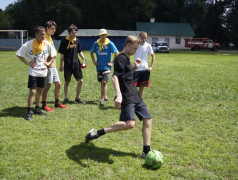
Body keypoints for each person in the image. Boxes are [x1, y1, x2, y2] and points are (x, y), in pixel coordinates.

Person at [85, 35, 153, 158]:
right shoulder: (120, 58)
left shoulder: (126, 58)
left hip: (135, 94)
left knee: (147, 119)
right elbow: (115, 77)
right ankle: (96, 133)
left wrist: (134, 68)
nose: (135, 51)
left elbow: (125, 75)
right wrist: (119, 95)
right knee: (129, 124)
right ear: (127, 45)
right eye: (134, 48)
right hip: (127, 95)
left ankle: (146, 151)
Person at [16, 26, 57, 120]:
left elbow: (54, 54)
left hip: (43, 71)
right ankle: (29, 111)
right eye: (42, 34)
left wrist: (48, 62)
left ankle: (37, 109)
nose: (44, 36)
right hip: (33, 71)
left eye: (44, 34)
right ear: (36, 34)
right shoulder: (29, 44)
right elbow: (19, 54)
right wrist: (27, 62)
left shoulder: (46, 44)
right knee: (32, 91)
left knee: (39, 90)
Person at [41, 21, 68, 112]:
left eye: (55, 28)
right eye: (52, 28)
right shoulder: (44, 39)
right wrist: (48, 62)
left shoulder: (50, 37)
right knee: (47, 85)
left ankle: (57, 102)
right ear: (46, 29)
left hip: (53, 65)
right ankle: (44, 104)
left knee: (58, 84)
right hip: (48, 66)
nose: (54, 30)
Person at [58, 24, 86, 104]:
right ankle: (66, 98)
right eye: (73, 33)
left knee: (80, 81)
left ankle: (77, 97)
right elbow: (62, 54)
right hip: (67, 64)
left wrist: (84, 58)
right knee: (67, 81)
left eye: (76, 33)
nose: (75, 34)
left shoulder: (77, 40)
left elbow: (79, 51)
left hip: (76, 64)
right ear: (69, 33)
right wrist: (61, 65)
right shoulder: (64, 41)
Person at [90, 29, 119, 106]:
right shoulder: (96, 44)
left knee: (104, 82)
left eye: (105, 35)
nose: (104, 36)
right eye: (102, 35)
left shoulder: (110, 43)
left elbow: (117, 53)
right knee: (102, 82)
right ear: (99, 36)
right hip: (99, 67)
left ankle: (102, 99)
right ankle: (105, 96)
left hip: (107, 67)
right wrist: (94, 61)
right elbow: (91, 52)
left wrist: (112, 62)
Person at [133, 31, 155, 98]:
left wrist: (151, 67)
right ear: (139, 37)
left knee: (142, 87)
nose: (144, 40)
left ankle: (139, 101)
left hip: (145, 69)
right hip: (136, 69)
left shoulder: (148, 46)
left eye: (145, 38)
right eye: (142, 38)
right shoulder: (135, 44)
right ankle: (132, 100)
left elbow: (153, 56)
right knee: (133, 86)